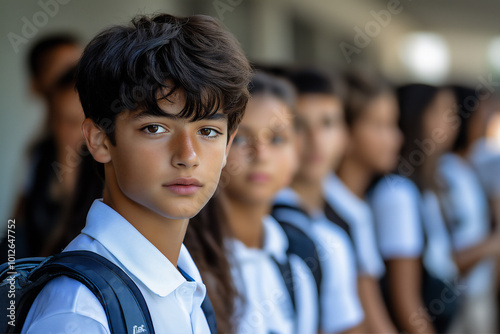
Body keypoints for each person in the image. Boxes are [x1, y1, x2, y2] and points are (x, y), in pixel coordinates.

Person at [21, 13, 251, 333]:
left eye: (208, 131)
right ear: (100, 140)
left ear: (228, 145)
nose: (188, 156)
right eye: (155, 128)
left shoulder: (185, 280)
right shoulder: (80, 310)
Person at [221, 71, 318, 334]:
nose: (260, 154)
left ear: (296, 152)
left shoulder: (296, 268)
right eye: (241, 138)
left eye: (276, 139)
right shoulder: (188, 265)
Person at [272, 68, 365, 333]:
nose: (315, 140)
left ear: (345, 135)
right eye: (300, 125)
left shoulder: (344, 218)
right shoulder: (261, 221)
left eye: (327, 123)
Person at [323, 71, 399, 333]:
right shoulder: (336, 210)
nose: (395, 138)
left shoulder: (357, 204)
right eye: (379, 125)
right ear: (346, 131)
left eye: (393, 124)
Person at [4, 35, 82, 259]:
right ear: (38, 86)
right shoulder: (39, 151)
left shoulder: (106, 145)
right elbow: (17, 223)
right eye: (65, 75)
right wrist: (12, 269)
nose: (76, 80)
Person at [437, 85, 499, 333]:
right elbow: (449, 258)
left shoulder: (470, 165)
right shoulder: (446, 172)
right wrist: (493, 244)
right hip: (457, 297)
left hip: (478, 291)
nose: (485, 122)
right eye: (480, 115)